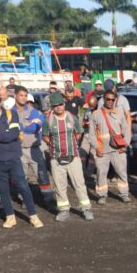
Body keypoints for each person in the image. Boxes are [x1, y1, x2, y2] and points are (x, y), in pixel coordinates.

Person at [0, 89, 43, 228]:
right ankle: (10, 217)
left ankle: (33, 216)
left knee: (23, 186)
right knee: (3, 189)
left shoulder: (12, 114)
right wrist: (1, 135)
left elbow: (13, 134)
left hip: (13, 157)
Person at [43, 92, 93, 222]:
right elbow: (45, 136)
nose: (59, 107)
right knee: (59, 186)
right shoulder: (48, 120)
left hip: (73, 156)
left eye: (60, 104)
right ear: (52, 106)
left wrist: (70, 145)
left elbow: (78, 133)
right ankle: (64, 210)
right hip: (56, 158)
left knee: (79, 183)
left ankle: (86, 208)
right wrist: (54, 145)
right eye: (55, 105)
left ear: (64, 104)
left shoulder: (71, 117)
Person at [13, 86, 54, 207]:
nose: (23, 98)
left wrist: (21, 126)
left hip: (34, 149)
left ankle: (48, 198)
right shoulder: (10, 113)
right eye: (21, 95)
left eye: (25, 95)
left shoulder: (34, 111)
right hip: (18, 150)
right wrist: (26, 124)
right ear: (15, 95)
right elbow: (10, 130)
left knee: (42, 175)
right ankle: (26, 200)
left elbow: (35, 127)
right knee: (21, 177)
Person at [90, 90, 132, 205]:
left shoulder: (119, 113)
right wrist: (96, 148)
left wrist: (125, 144)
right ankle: (102, 195)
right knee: (101, 173)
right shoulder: (96, 114)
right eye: (107, 99)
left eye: (112, 99)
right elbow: (92, 134)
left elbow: (126, 130)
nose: (110, 101)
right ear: (103, 99)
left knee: (121, 172)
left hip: (118, 150)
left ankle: (124, 194)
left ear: (115, 100)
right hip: (102, 150)